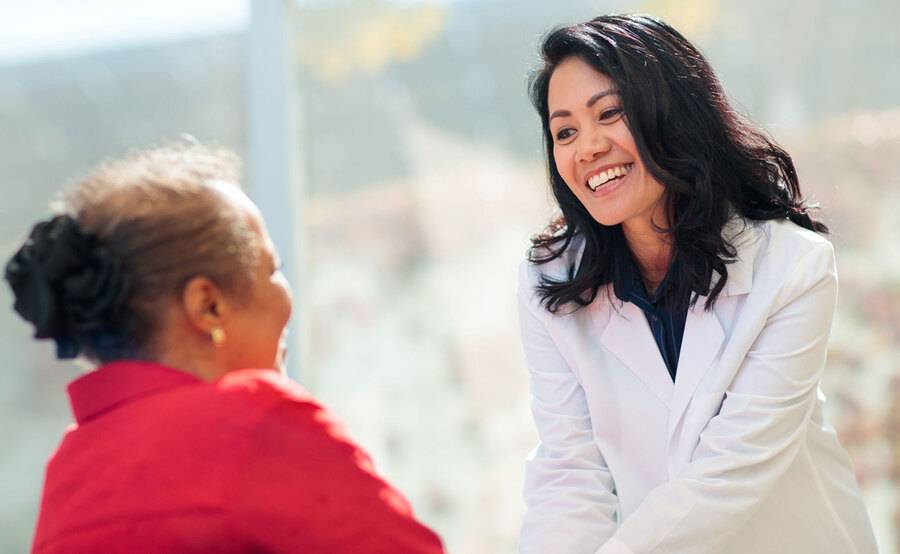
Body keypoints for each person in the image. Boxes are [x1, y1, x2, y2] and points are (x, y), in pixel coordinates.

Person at [517, 14, 878, 554]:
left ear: (673, 113)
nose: (586, 147)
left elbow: (728, 477)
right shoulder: (550, 281)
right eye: (564, 131)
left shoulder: (793, 268)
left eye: (610, 114)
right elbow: (570, 471)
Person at [6, 142, 445, 553]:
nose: (287, 297)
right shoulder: (254, 419)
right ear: (208, 305)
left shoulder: (72, 470)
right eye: (273, 270)